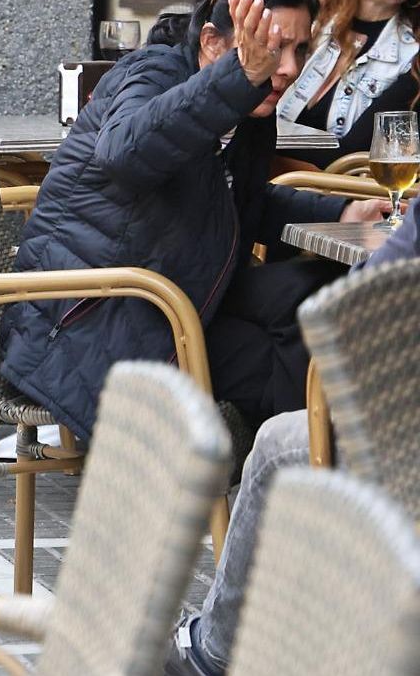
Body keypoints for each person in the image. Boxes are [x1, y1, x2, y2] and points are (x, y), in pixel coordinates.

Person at [3, 0, 388, 441]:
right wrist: (239, 78)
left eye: (299, 49)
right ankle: (277, 473)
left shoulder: (250, 98)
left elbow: (242, 201)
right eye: (270, 46)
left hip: (177, 293)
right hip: (92, 318)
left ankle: (277, 463)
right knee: (291, 365)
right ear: (211, 41)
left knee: (322, 290)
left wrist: (343, 211)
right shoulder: (155, 72)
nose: (287, 68)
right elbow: (122, 153)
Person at [165, 212, 416, 676]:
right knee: (293, 314)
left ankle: (213, 652)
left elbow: (359, 307)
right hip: (144, 303)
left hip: (146, 302)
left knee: (281, 441)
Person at [276, 0, 420, 169]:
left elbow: (351, 157)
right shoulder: (307, 14)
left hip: (331, 201)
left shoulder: (413, 59)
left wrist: (258, 141)